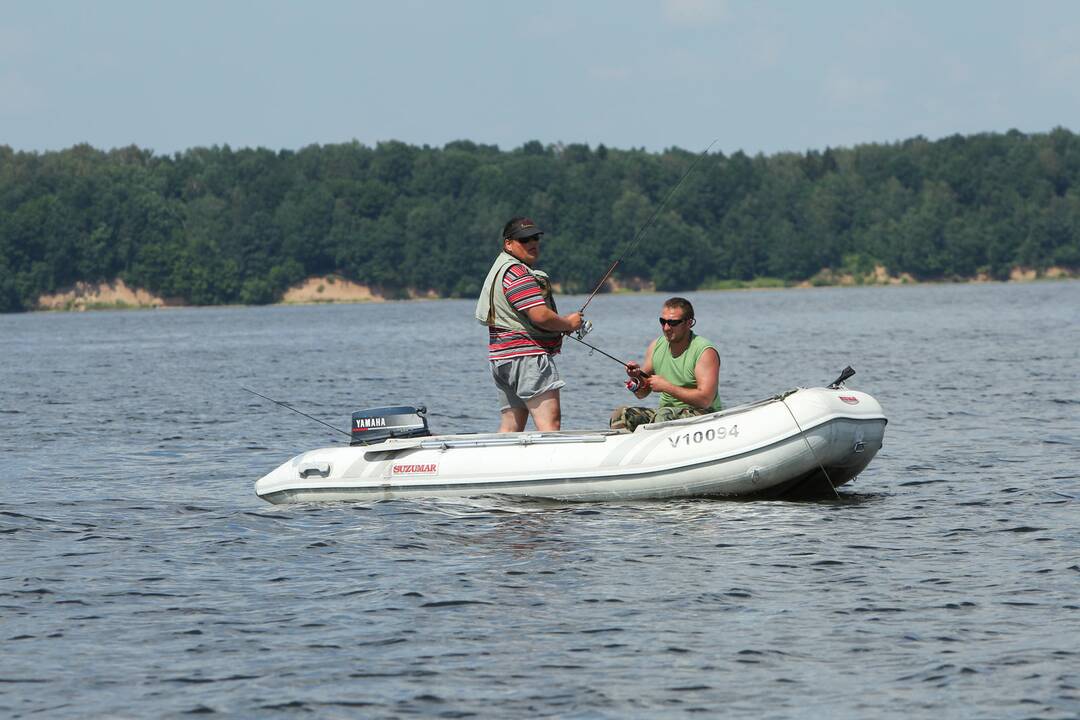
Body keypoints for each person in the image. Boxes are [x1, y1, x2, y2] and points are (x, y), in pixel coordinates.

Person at [475, 217, 583, 433]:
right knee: (550, 425)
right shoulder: (517, 273)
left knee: (511, 426)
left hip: (501, 359)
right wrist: (569, 324)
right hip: (527, 358)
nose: (532, 243)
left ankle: (501, 465)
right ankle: (550, 465)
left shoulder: (501, 269)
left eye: (535, 238)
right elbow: (540, 316)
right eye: (524, 240)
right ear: (508, 243)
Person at [610, 297, 722, 432]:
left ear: (689, 323)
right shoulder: (656, 346)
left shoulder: (705, 352)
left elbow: (705, 400)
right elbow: (642, 394)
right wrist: (636, 378)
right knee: (621, 414)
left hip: (704, 416)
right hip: (665, 416)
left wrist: (668, 387)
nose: (666, 328)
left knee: (662, 416)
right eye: (662, 322)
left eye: (673, 323)